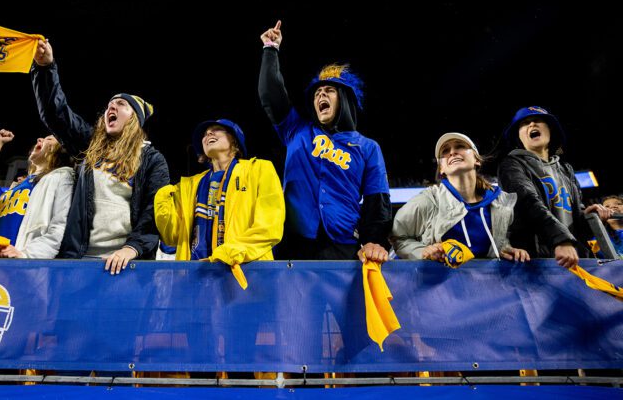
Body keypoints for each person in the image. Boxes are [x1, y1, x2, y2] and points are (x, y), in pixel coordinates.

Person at [31, 39, 169, 273]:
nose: (111, 108)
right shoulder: (90, 145)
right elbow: (57, 114)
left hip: (126, 263)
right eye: (109, 105)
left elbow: (153, 210)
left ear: (135, 118)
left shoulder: (152, 159)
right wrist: (45, 69)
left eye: (121, 104)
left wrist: (133, 248)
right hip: (79, 259)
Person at [258, 21, 392, 262]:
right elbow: (271, 96)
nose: (320, 94)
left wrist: (373, 241)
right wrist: (270, 49)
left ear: (345, 99)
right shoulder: (296, 130)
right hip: (292, 243)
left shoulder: (368, 147)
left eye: (329, 90)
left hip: (342, 246)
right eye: (317, 93)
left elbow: (377, 200)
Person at [155, 119, 284, 264]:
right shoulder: (188, 186)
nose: (209, 133)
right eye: (205, 134)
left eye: (217, 129)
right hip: (197, 273)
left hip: (245, 272)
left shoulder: (260, 170)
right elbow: (172, 237)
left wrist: (227, 254)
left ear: (234, 139)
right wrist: (162, 195)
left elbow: (269, 227)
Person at [498, 106, 612, 269]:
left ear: (551, 130)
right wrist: (561, 239)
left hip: (575, 259)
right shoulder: (511, 164)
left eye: (538, 121)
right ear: (518, 136)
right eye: (525, 124)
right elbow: (527, 202)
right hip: (538, 263)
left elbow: (576, 223)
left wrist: (589, 218)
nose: (531, 125)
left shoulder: (566, 169)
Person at [391, 132, 530, 262]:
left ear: (476, 159)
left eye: (460, 146)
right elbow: (398, 237)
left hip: (482, 285)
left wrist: (507, 250)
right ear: (441, 169)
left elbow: (501, 241)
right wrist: (422, 251)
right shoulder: (429, 201)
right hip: (438, 285)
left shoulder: (500, 202)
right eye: (445, 151)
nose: (452, 152)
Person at [0, 132, 74, 259]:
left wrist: (25, 255)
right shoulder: (18, 186)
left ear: (61, 151)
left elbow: (59, 228)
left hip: (19, 264)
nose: (39, 138)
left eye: (49, 139)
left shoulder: (63, 177)